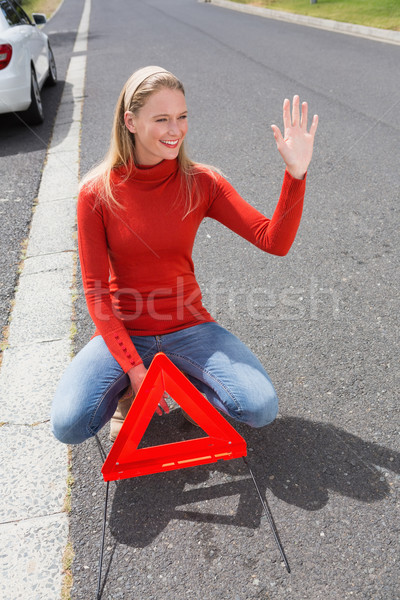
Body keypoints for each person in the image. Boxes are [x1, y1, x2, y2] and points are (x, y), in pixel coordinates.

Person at [51, 65, 318, 445]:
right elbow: (96, 295)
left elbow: (273, 240)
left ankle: (185, 380)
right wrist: (135, 370)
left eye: (182, 117)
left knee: (260, 408)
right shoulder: (96, 192)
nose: (175, 130)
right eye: (161, 119)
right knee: (69, 424)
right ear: (130, 121)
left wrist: (296, 174)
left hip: (190, 327)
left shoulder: (202, 181)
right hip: (126, 332)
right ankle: (131, 391)